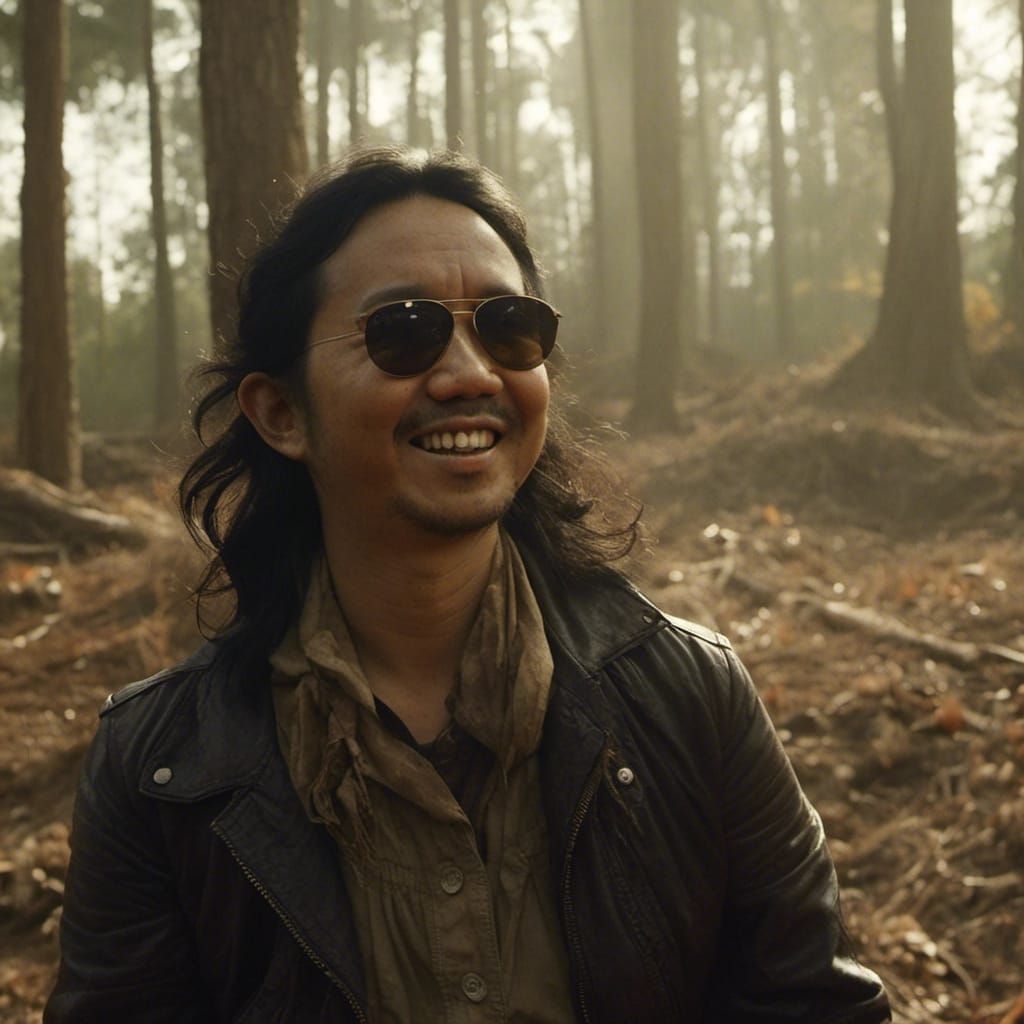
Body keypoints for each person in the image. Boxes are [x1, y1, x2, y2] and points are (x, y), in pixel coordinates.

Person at [46, 147, 890, 1024]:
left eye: (509, 327)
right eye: (403, 332)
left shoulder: (690, 697)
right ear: (281, 413)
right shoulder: (161, 769)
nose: (470, 374)